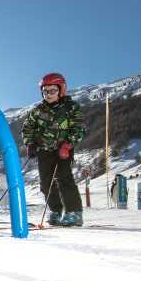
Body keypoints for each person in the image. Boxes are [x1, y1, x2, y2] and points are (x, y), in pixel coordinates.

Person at [22, 72, 87, 226]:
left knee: (65, 179)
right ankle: (55, 211)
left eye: (52, 91)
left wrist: (68, 144)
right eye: (45, 91)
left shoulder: (71, 107)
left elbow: (79, 127)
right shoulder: (38, 110)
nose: (48, 94)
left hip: (63, 150)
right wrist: (30, 144)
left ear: (61, 90)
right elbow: (27, 128)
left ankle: (74, 212)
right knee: (46, 183)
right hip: (44, 151)